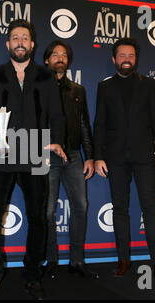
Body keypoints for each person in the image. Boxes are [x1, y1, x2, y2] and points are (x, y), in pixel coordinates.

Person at [0, 19, 66, 300]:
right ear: (8, 44)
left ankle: (32, 274)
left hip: (35, 155)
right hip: (1, 156)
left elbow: (57, 115)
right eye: (15, 38)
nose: (20, 42)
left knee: (38, 217)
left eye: (24, 38)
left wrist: (56, 140)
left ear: (32, 44)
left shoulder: (45, 76)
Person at [93, 37, 155, 283]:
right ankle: (123, 260)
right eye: (122, 55)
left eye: (131, 55)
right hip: (115, 158)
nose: (126, 59)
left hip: (144, 157)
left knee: (150, 208)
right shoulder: (104, 87)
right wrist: (97, 157)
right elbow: (100, 124)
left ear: (135, 59)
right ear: (114, 59)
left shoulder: (149, 85)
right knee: (120, 210)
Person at [43, 40, 98, 279]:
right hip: (45, 155)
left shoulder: (78, 91)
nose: (60, 57)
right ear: (46, 60)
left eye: (63, 54)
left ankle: (77, 260)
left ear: (68, 61)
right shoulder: (37, 89)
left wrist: (90, 157)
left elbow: (85, 125)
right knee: (47, 210)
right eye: (55, 54)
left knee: (81, 207)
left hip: (74, 155)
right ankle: (51, 259)